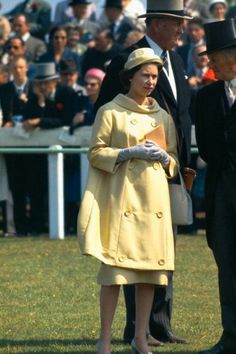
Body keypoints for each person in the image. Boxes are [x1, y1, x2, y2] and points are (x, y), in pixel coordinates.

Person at [95, 0, 192, 345]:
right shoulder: (126, 58)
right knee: (132, 250)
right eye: (175, 22)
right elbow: (106, 109)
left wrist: (182, 163)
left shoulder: (177, 60)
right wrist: (130, 148)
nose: (182, 29)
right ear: (155, 24)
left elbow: (181, 116)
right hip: (131, 177)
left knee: (162, 248)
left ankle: (160, 324)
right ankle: (136, 328)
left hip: (169, 166)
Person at [78, 47, 178, 354]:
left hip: (154, 202)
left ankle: (141, 336)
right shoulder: (110, 111)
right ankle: (105, 338)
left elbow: (173, 160)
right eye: (145, 75)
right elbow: (95, 153)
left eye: (155, 76)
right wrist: (126, 152)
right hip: (121, 201)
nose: (150, 81)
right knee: (114, 275)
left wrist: (164, 157)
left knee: (148, 272)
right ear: (130, 77)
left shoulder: (162, 115)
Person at [195, 18, 236, 354]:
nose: (210, 63)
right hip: (221, 190)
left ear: (233, 57)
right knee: (227, 261)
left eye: (214, 57)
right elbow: (206, 146)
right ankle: (231, 335)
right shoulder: (206, 97)